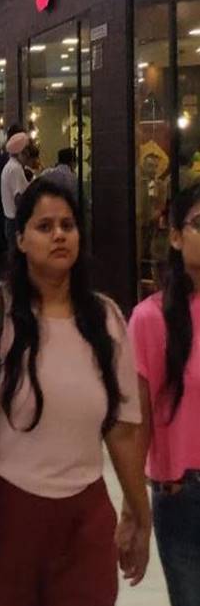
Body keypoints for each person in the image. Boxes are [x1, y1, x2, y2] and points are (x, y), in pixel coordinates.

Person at [0, 179, 150, 605]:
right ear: (20, 238)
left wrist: (139, 512)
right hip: (9, 516)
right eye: (45, 226)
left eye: (68, 225)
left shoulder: (107, 319)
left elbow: (122, 431)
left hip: (86, 519)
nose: (59, 234)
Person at [127, 184, 200, 606]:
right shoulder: (151, 319)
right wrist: (134, 512)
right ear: (174, 236)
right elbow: (138, 422)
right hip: (182, 498)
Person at [0, 131, 30, 249]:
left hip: (10, 220)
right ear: (22, 152)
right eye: (27, 150)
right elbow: (18, 197)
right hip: (15, 222)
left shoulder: (9, 167)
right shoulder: (15, 168)